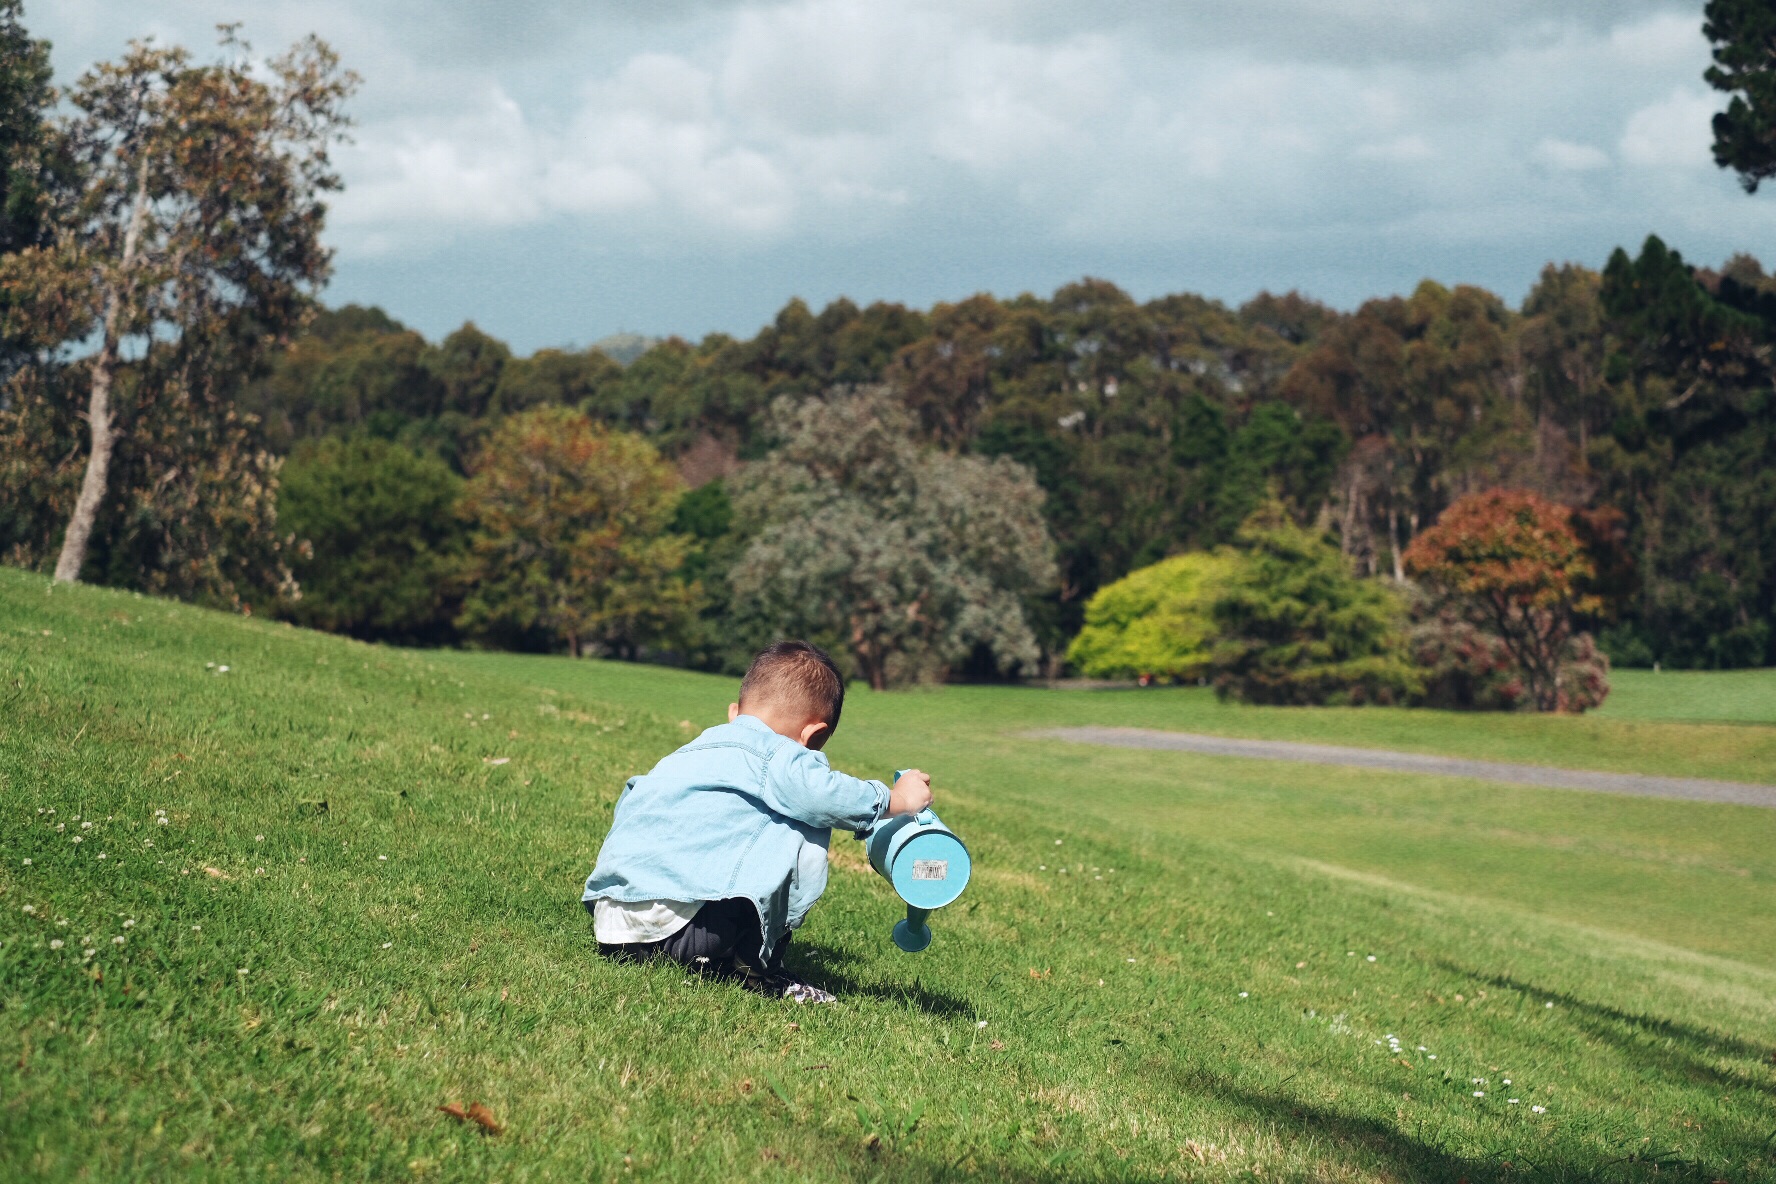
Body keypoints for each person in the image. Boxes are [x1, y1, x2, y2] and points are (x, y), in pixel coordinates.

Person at [582, 640, 933, 1002]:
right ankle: (759, 970)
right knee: (799, 817)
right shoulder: (778, 755)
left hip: (613, 922)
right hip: (682, 931)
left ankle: (715, 959)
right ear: (811, 736)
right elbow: (826, 795)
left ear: (735, 712)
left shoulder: (691, 752)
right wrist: (899, 799)